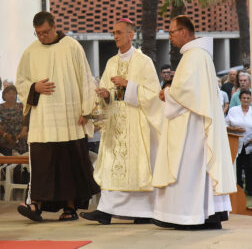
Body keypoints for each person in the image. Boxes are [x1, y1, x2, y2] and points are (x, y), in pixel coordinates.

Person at [152, 15, 236, 230]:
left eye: (171, 32)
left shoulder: (194, 56)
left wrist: (167, 92)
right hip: (194, 123)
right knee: (196, 171)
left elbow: (186, 92)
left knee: (190, 170)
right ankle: (203, 215)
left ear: (183, 32)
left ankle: (191, 215)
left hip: (192, 128)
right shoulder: (198, 55)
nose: (169, 37)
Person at [15, 11, 100, 222]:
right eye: (38, 33)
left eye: (45, 32)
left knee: (67, 163)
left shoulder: (72, 46)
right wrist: (34, 86)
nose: (42, 36)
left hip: (69, 117)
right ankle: (36, 205)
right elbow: (21, 82)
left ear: (55, 26)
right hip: (43, 120)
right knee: (43, 164)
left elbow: (85, 78)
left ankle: (70, 208)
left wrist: (86, 110)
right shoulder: (30, 52)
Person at [80, 18, 162, 225]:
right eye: (113, 32)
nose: (115, 36)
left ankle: (143, 212)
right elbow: (108, 97)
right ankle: (105, 210)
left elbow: (153, 95)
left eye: (119, 32)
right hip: (116, 124)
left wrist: (128, 85)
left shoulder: (144, 62)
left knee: (136, 167)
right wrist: (106, 94)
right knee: (111, 164)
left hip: (136, 123)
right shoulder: (111, 63)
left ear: (130, 35)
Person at [226, 90, 252, 195]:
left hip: (250, 145)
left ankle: (250, 190)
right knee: (236, 167)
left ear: (251, 99)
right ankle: (237, 189)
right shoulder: (233, 110)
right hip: (235, 143)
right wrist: (234, 129)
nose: (246, 100)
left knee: (249, 168)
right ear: (240, 99)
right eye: (244, 98)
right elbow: (224, 124)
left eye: (248, 98)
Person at [0, 85, 28, 156]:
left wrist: (19, 135)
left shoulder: (21, 106)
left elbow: (25, 122)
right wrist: (5, 135)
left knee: (20, 165)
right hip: (3, 141)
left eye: (14, 93)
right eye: (9, 93)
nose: (12, 95)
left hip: (20, 140)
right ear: (4, 95)